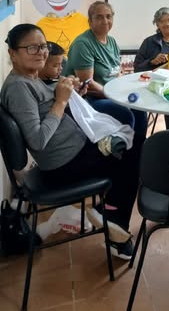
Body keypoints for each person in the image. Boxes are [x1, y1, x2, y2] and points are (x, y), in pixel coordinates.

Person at [1, 24, 142, 259]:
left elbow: (46, 109)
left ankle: (105, 213)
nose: (41, 52)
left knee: (127, 138)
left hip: (73, 150)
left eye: (43, 46)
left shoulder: (31, 77)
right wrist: (61, 101)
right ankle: (114, 226)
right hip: (64, 165)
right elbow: (38, 140)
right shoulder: (18, 88)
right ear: (13, 53)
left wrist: (69, 93)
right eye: (31, 48)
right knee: (132, 159)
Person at [65, 1, 148, 139]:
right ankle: (125, 150)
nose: (105, 21)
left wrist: (125, 90)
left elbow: (117, 72)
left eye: (108, 16)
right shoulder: (82, 44)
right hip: (88, 99)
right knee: (125, 114)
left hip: (110, 94)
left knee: (140, 109)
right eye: (99, 17)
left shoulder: (112, 41)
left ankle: (139, 149)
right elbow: (88, 83)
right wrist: (114, 95)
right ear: (90, 21)